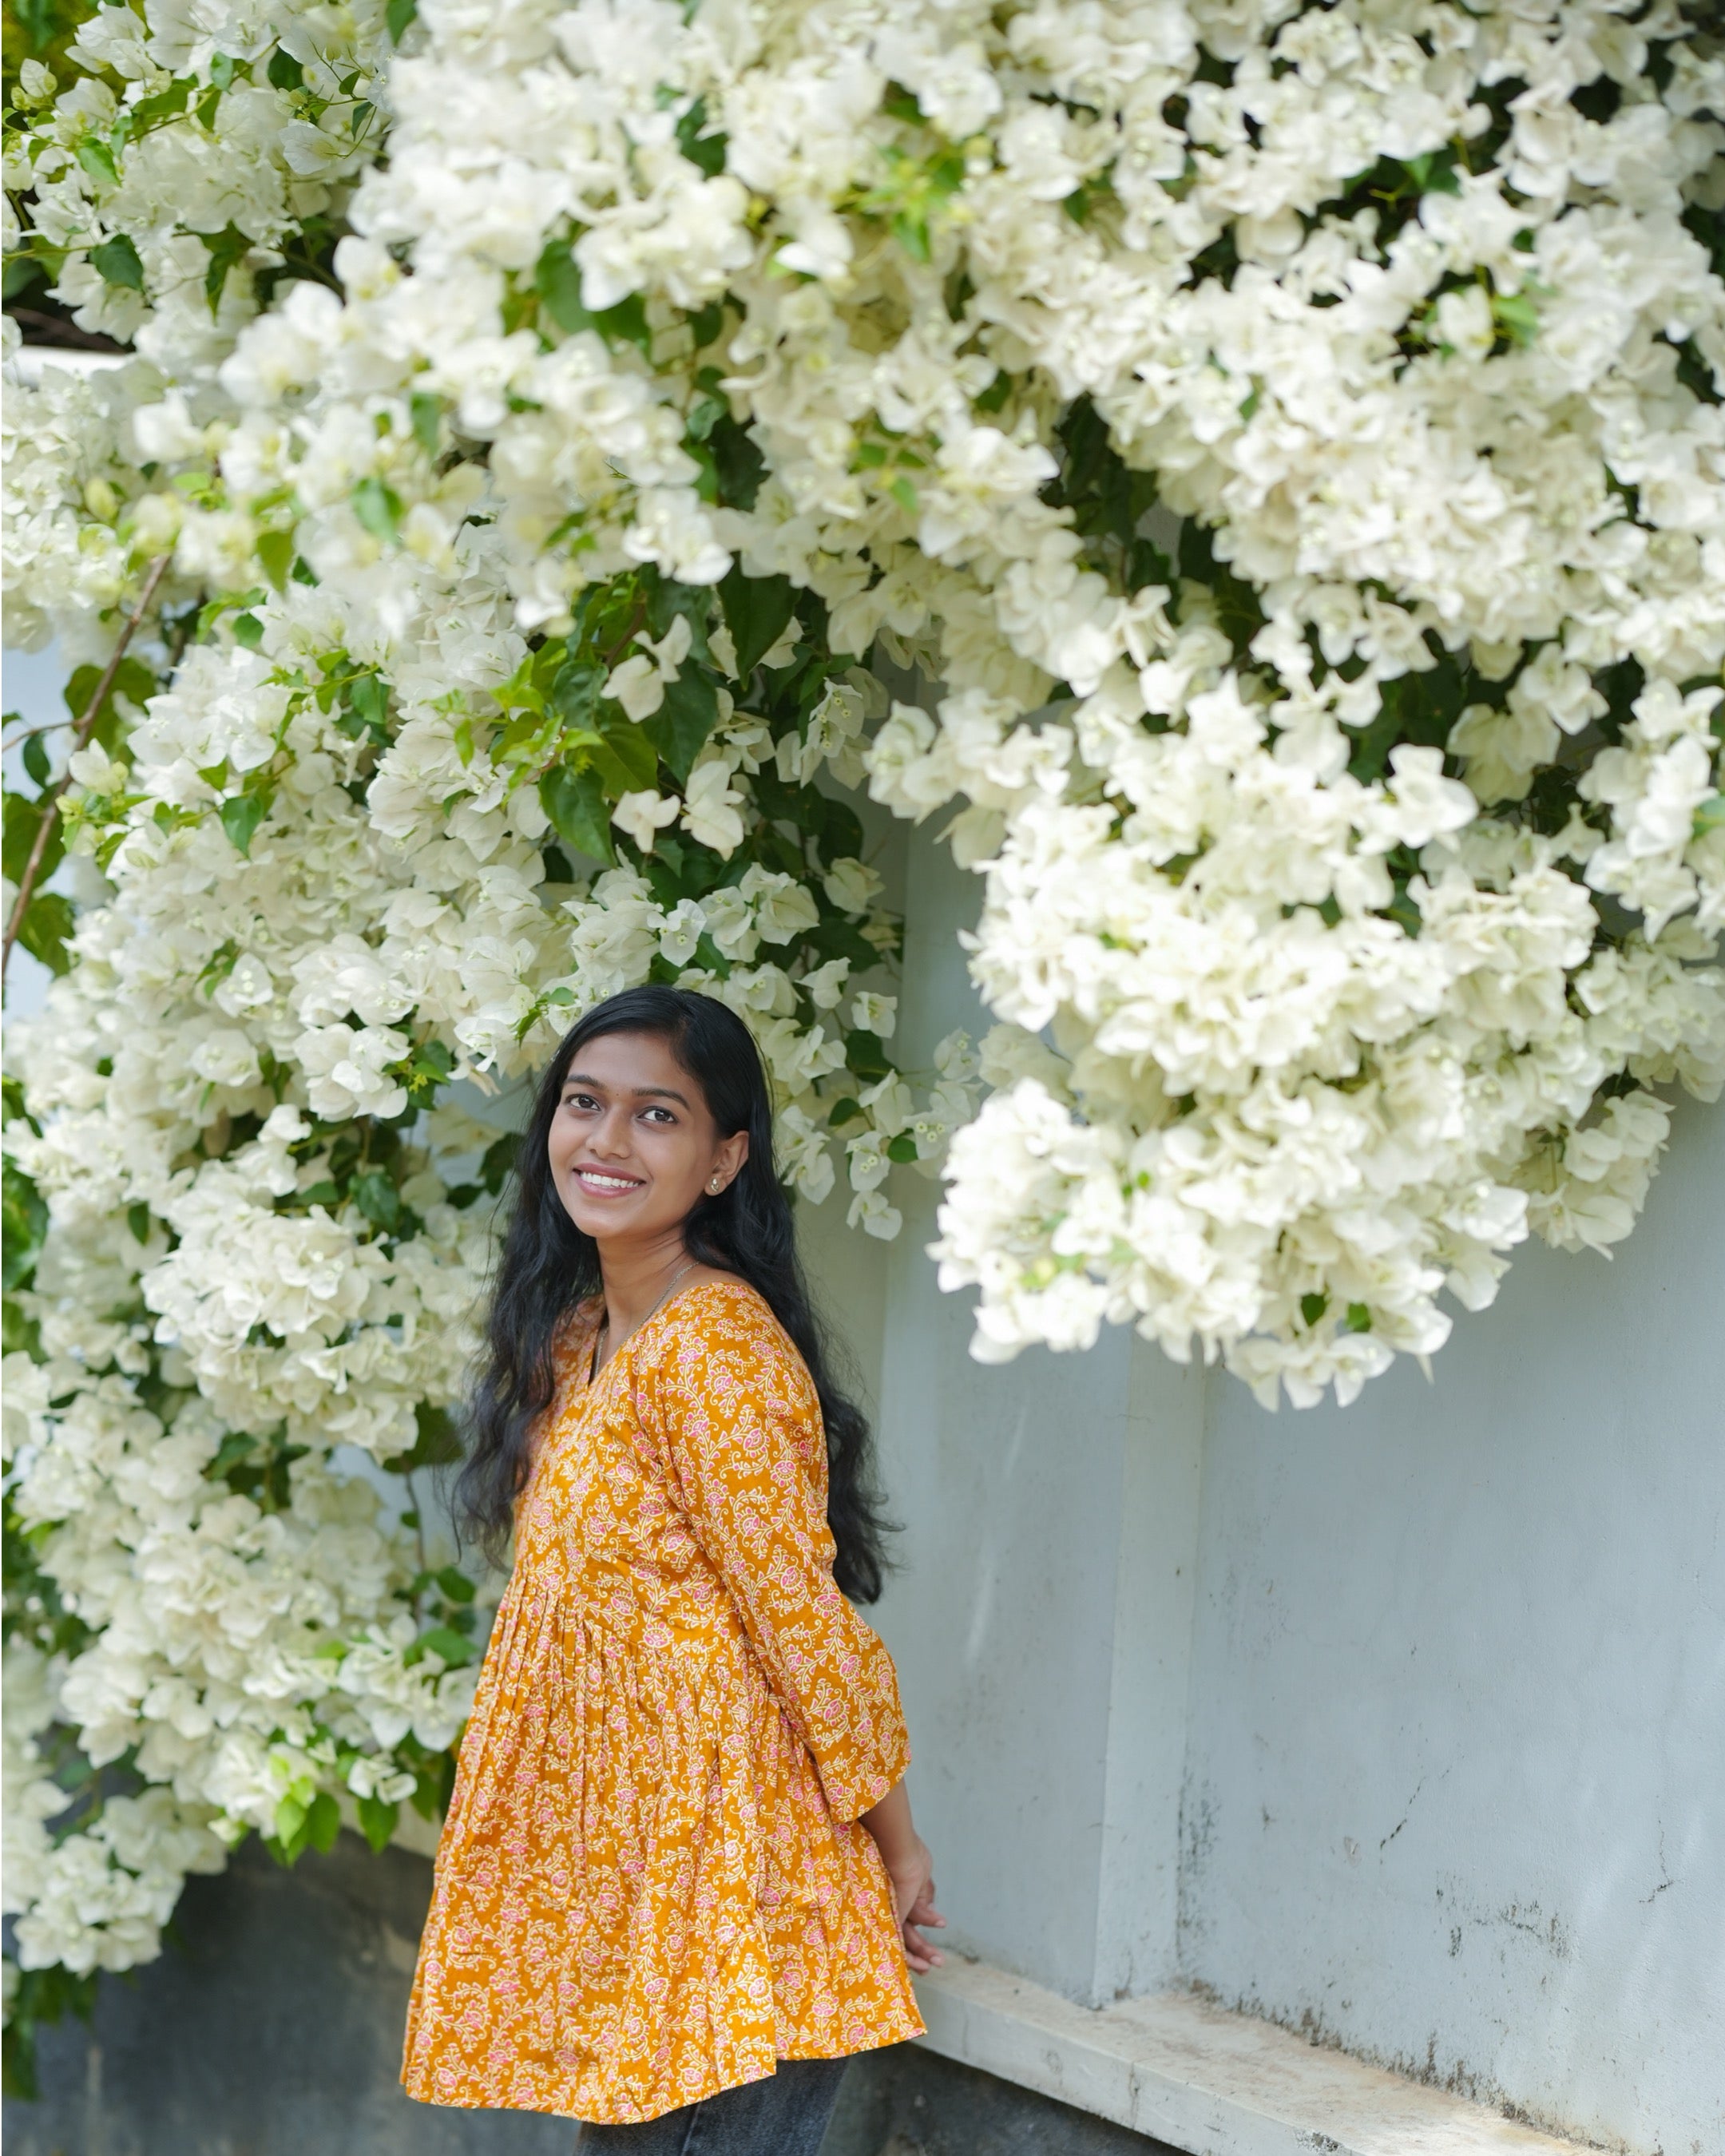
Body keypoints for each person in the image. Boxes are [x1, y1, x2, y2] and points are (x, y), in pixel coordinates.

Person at [401, 985, 944, 2152]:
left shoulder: (715, 1352)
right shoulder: (579, 1340)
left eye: (658, 1116)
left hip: (739, 1898)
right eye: (585, 1103)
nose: (605, 1140)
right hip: (649, 1902)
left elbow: (807, 1627)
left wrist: (899, 1849)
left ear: (722, 1159)